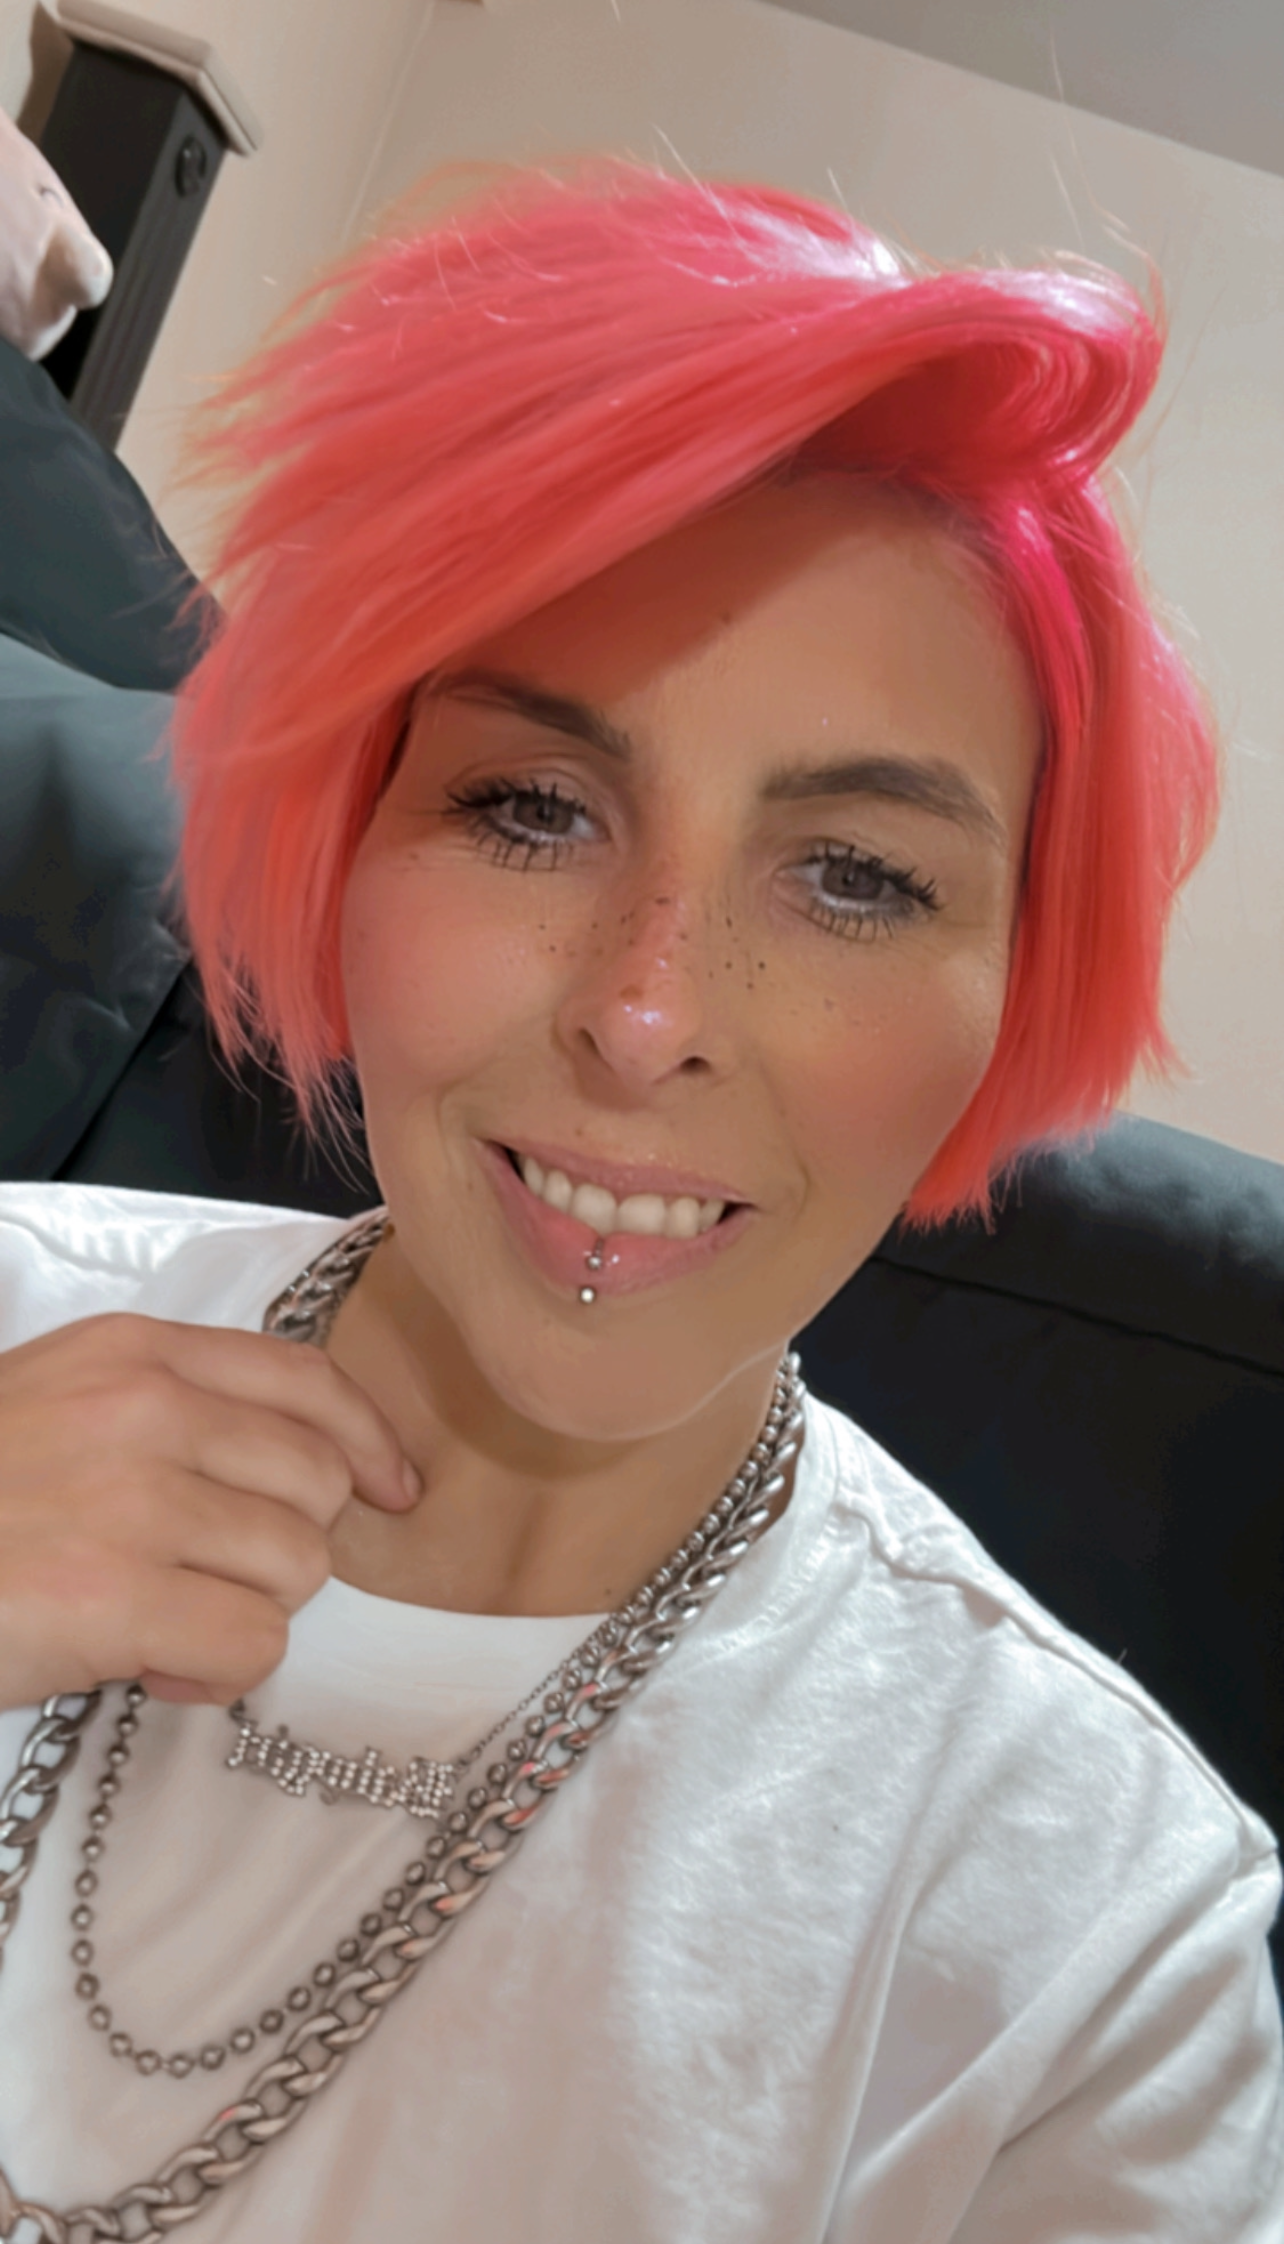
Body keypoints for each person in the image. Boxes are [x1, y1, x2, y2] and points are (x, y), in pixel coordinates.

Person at [0, 162, 1279, 2241]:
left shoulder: (1091, 1949)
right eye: (530, 808)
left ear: (1013, 981)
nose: (648, 1013)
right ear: (345, 829)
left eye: (855, 876)